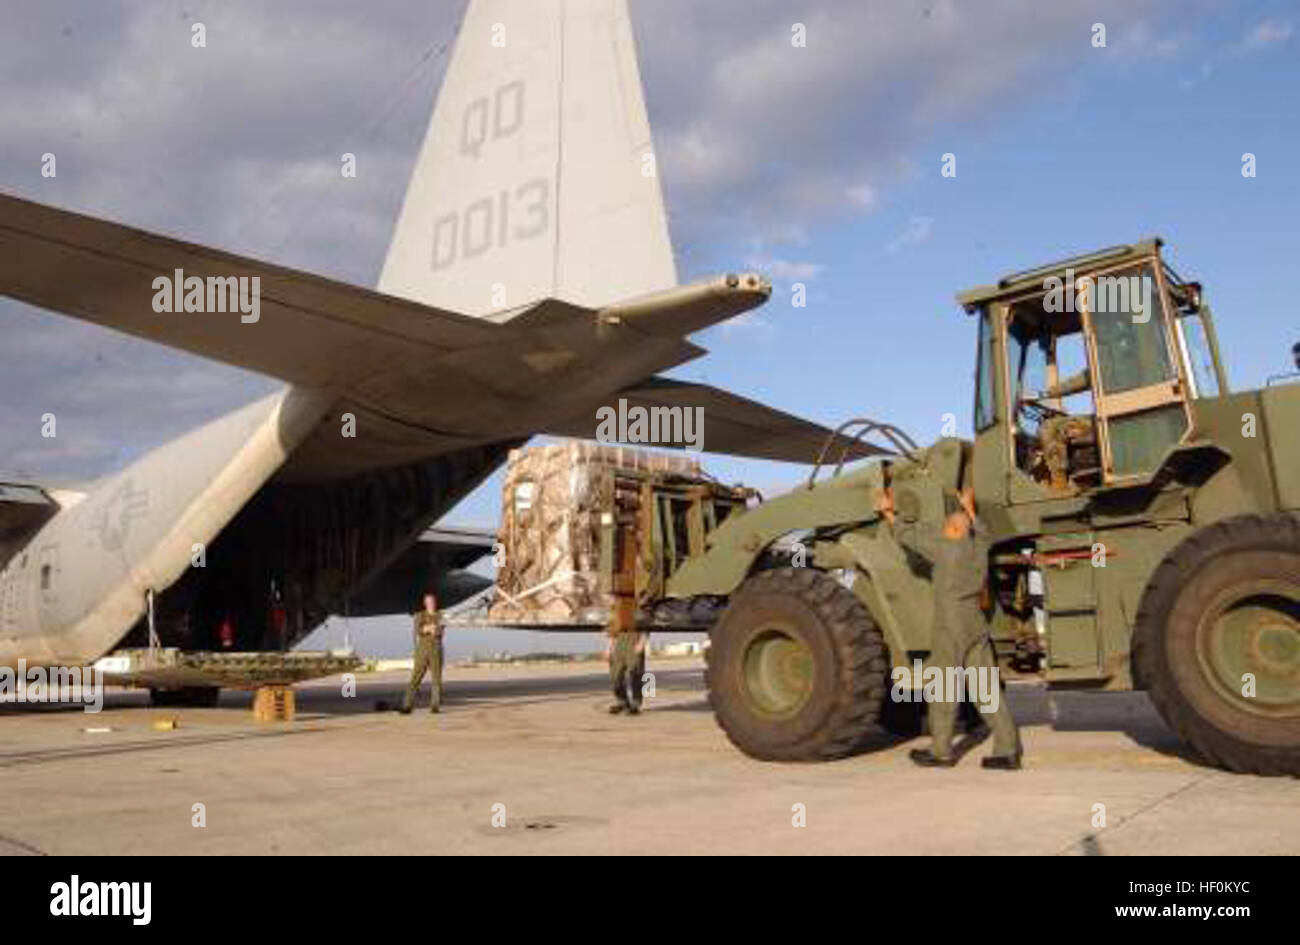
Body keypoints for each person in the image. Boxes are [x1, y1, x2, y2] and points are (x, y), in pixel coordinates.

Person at [877, 485, 1022, 769]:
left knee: (943, 687)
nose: (942, 531)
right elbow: (984, 533)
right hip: (975, 624)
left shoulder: (947, 550)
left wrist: (888, 511)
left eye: (946, 527)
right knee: (986, 689)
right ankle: (1008, 750)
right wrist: (969, 508)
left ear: (953, 531)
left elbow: (908, 537)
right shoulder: (978, 549)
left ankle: (941, 751)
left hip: (951, 624)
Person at [1029, 369, 1095, 490]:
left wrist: (1044, 394)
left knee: (1050, 427)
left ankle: (1059, 482)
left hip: (1111, 420)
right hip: (1117, 418)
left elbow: (1081, 381)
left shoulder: (1109, 359)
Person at [401, 592, 444, 714]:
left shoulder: (440, 616)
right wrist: (427, 628)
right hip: (423, 648)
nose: (432, 603)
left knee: (436, 678)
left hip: (436, 648)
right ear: (425, 603)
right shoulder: (420, 615)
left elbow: (440, 631)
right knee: (416, 676)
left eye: (433, 601)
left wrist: (434, 629)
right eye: (429, 601)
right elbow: (418, 630)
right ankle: (407, 704)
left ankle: (435, 706)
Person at [606, 629, 647, 715]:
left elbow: (646, 627)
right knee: (615, 676)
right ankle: (622, 702)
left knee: (635, 674)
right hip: (618, 645)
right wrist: (609, 647)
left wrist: (642, 643)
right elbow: (612, 631)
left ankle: (635, 705)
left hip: (634, 643)